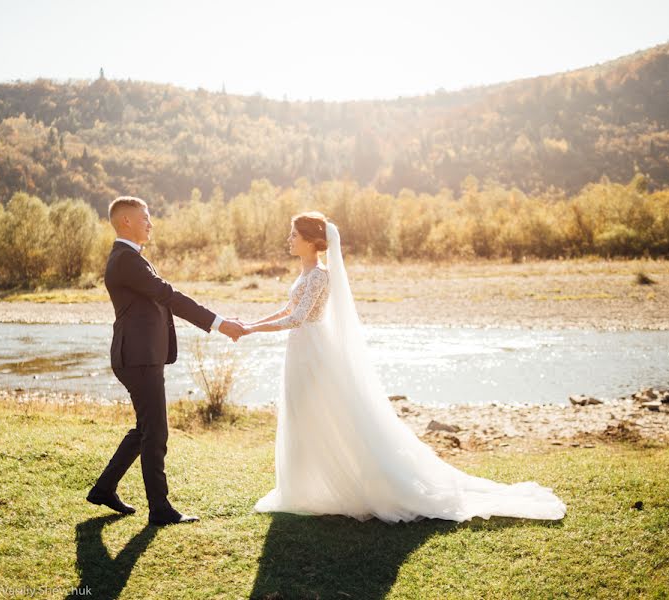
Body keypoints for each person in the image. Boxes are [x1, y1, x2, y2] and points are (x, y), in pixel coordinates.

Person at [243, 211, 567, 523]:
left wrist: (252, 330)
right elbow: (288, 308)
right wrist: (249, 324)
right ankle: (302, 489)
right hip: (300, 350)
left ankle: (335, 487)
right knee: (301, 413)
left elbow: (298, 318)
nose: (288, 239)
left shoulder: (320, 276)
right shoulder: (304, 273)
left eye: (294, 235)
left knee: (322, 413)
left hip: (313, 351)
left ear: (312, 241)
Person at [86, 196, 246, 527]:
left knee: (146, 429)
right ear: (126, 221)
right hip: (138, 357)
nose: (151, 223)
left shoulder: (130, 259)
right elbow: (169, 296)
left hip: (139, 356)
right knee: (155, 432)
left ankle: (104, 488)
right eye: (145, 217)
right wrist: (219, 323)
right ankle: (159, 509)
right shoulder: (127, 260)